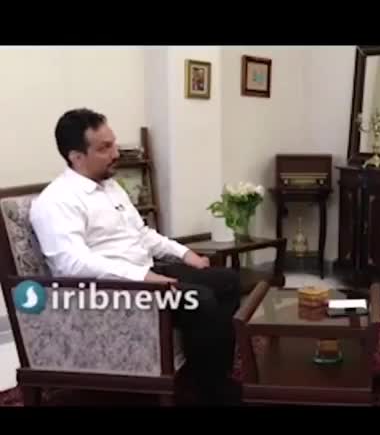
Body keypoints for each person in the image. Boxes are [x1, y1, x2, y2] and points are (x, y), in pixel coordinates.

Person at [29, 108, 241, 405]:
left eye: (114, 143)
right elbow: (72, 264)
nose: (116, 153)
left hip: (144, 274)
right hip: (111, 294)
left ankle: (204, 374)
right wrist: (142, 277)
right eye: (105, 148)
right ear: (76, 156)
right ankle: (210, 392)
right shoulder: (56, 201)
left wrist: (184, 253)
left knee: (227, 280)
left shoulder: (110, 187)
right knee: (200, 299)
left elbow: (141, 234)